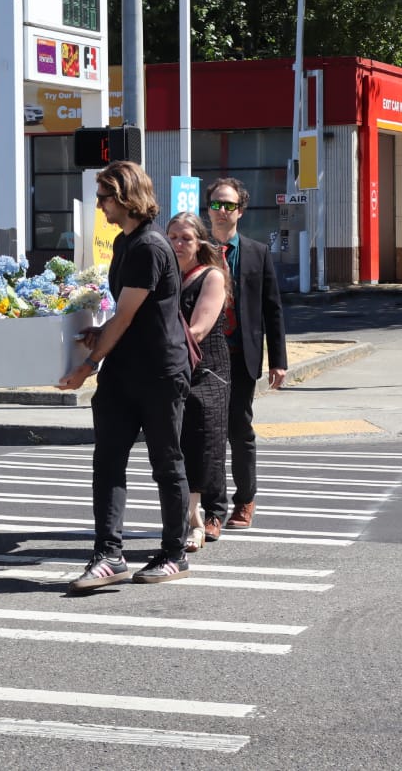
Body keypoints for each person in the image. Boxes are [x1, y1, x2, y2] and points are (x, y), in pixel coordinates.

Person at [58, 160, 192, 590]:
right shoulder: (124, 242)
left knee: (166, 463)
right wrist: (100, 336)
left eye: (104, 198)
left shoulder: (149, 246)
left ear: (126, 197)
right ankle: (108, 554)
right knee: (108, 461)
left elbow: (127, 315)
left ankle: (174, 553)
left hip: (159, 372)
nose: (99, 206)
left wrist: (88, 365)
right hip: (124, 370)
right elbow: (124, 315)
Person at [205, 177, 288, 532]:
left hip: (241, 355)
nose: (222, 211)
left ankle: (245, 499)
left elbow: (273, 309)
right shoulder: (196, 249)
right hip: (204, 357)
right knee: (207, 434)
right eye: (216, 204)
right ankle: (213, 510)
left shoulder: (257, 252)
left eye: (229, 205)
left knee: (239, 430)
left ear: (240, 210)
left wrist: (278, 360)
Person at [166, 212, 231, 553]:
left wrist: (158, 346)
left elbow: (198, 330)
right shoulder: (165, 276)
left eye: (186, 238)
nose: (178, 244)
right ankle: (192, 520)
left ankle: (197, 521)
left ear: (200, 242)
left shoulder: (211, 276)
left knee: (202, 445)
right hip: (173, 370)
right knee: (175, 446)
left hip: (207, 371)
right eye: (173, 237)